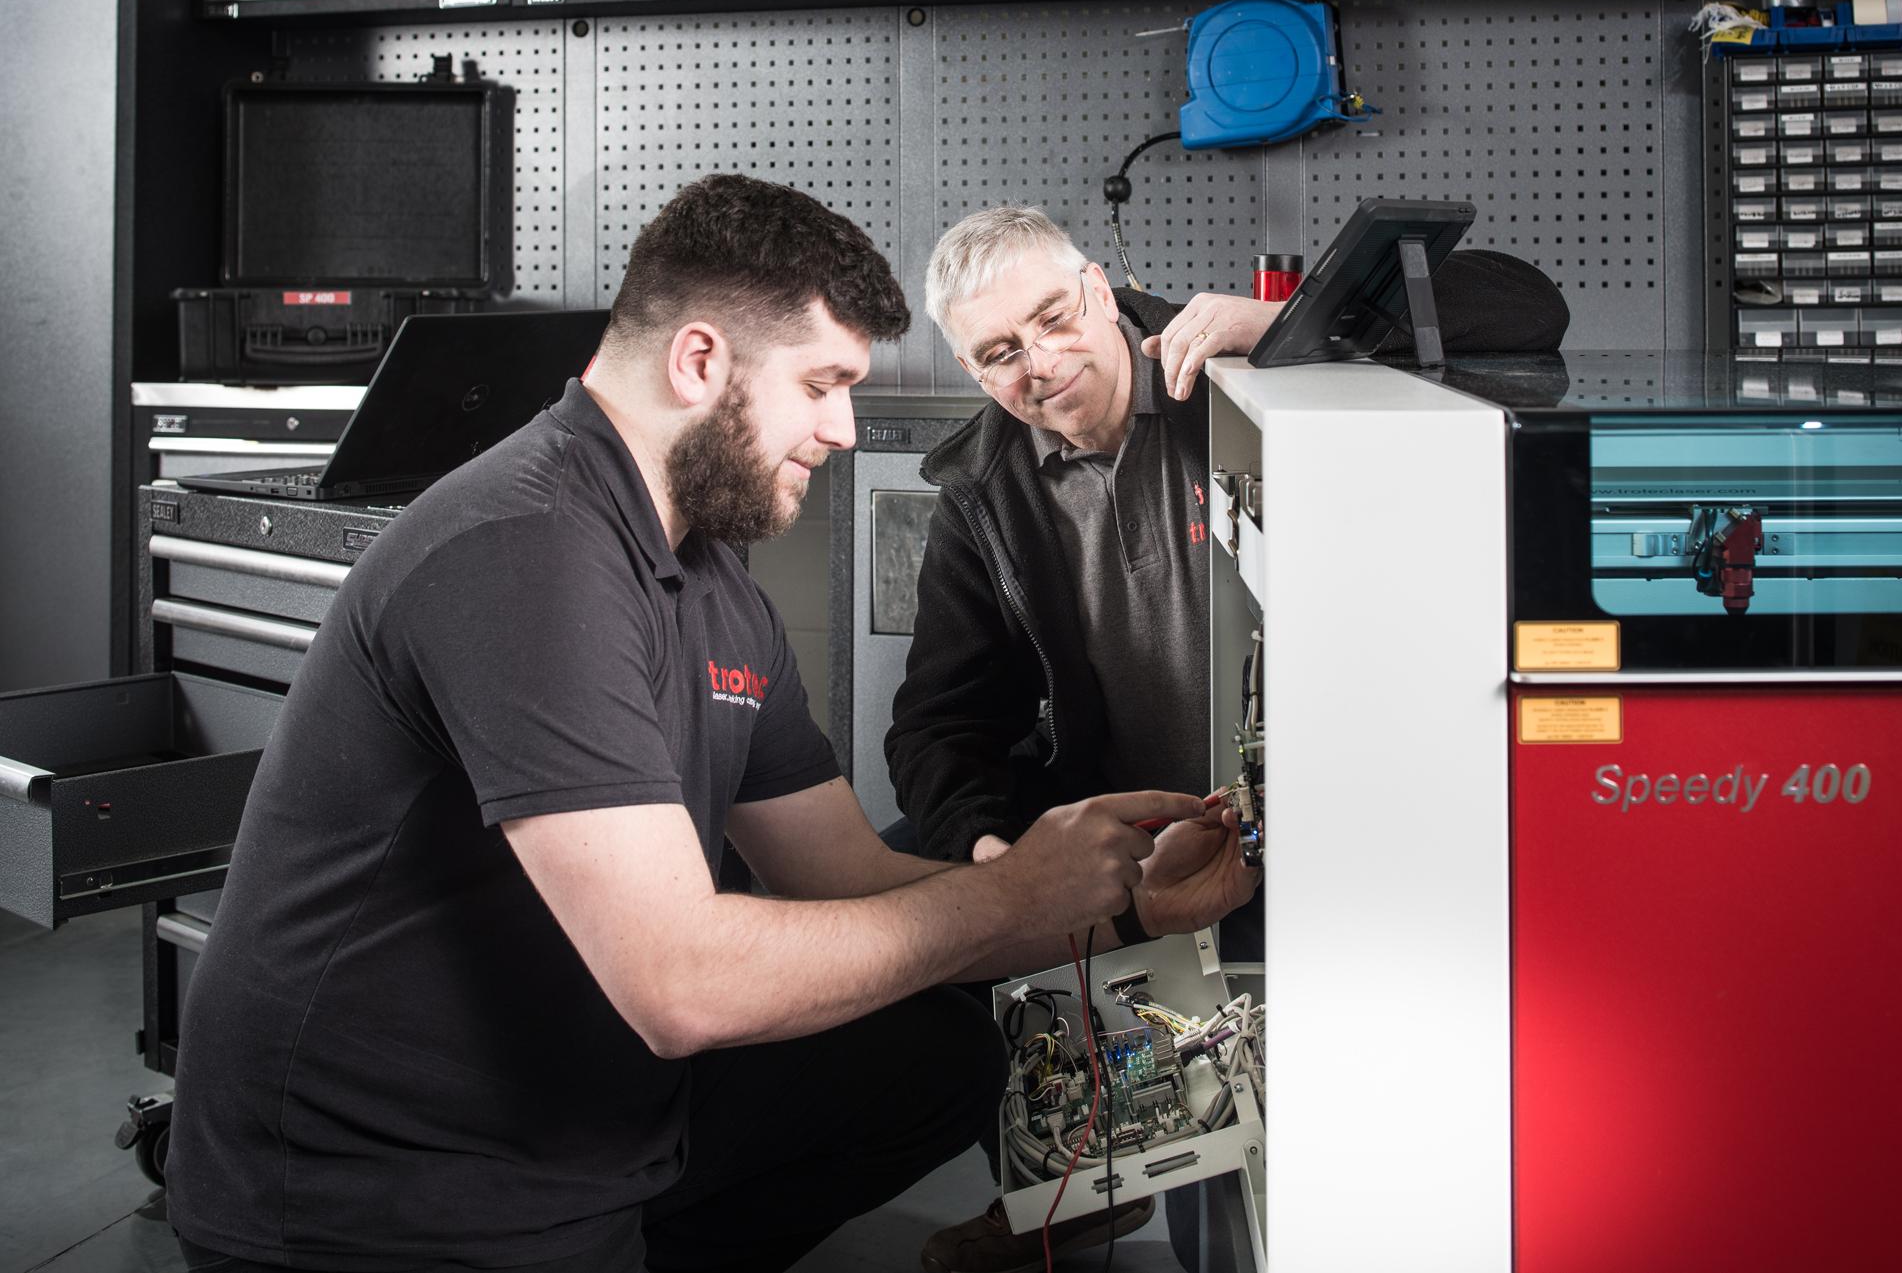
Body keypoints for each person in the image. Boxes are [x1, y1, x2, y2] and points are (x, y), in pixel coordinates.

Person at [162, 177, 1258, 1273]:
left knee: (932, 1058)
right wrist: (1015, 889)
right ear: (698, 363)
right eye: (823, 386)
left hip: (590, 1108)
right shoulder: (528, 548)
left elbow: (842, 877)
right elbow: (682, 983)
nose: (842, 429)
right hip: (386, 1192)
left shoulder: (716, 587)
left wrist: (1117, 911)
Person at [887, 208, 1279, 1273]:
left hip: (1294, 809)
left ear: (1102, 291)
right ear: (972, 371)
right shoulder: (984, 491)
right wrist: (993, 868)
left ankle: (1168, 1175)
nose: (1040, 364)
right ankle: (1075, 1184)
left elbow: (1519, 305)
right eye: (997, 354)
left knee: (1247, 1220)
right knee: (919, 882)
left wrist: (1282, 327)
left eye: (1054, 319)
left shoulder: (1237, 374)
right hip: (1126, 823)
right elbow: (940, 724)